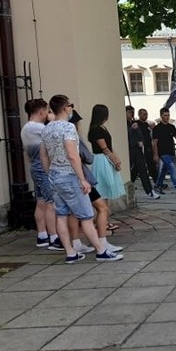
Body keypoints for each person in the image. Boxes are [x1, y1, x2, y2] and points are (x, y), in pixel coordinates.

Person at [39, 95, 123, 263]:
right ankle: (101, 251)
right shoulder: (68, 128)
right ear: (65, 108)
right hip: (70, 176)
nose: (71, 108)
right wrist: (82, 179)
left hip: (55, 176)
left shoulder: (47, 129)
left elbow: (44, 156)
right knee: (85, 215)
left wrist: (50, 174)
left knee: (61, 215)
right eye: (70, 105)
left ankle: (70, 253)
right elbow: (73, 155)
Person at [68, 109, 119, 254]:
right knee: (100, 208)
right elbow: (87, 156)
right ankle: (101, 245)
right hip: (80, 177)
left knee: (71, 212)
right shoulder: (72, 136)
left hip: (62, 178)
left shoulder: (51, 133)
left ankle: (75, 243)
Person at [21, 98, 60, 249]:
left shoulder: (27, 128)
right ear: (42, 112)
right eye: (47, 111)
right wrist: (53, 120)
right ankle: (54, 237)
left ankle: (42, 235)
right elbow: (54, 133)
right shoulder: (35, 127)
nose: (47, 114)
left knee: (41, 201)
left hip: (35, 166)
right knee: (51, 202)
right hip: (42, 167)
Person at [87, 104, 126, 252]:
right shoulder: (96, 130)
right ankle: (102, 225)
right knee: (103, 190)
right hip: (102, 160)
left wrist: (116, 157)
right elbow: (104, 147)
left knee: (106, 192)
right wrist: (115, 159)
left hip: (105, 159)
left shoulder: (101, 128)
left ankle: (105, 222)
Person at [126, 105, 159, 199]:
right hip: (129, 149)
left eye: (132, 112)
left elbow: (141, 135)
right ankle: (129, 185)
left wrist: (141, 141)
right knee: (132, 170)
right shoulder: (125, 123)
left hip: (137, 149)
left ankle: (149, 191)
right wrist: (132, 129)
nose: (131, 114)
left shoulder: (134, 123)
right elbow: (125, 135)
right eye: (129, 112)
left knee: (143, 170)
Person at [152, 107, 176, 196]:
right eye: (165, 115)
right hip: (163, 153)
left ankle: (157, 185)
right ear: (161, 116)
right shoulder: (157, 128)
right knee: (172, 168)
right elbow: (154, 142)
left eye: (168, 115)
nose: (167, 117)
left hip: (171, 152)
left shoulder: (171, 127)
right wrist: (155, 154)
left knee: (164, 170)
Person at [137, 108, 158, 182]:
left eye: (146, 114)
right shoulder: (136, 124)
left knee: (151, 165)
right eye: (144, 114)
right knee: (138, 166)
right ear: (139, 115)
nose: (146, 116)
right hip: (139, 147)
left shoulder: (147, 124)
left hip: (148, 147)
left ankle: (157, 182)